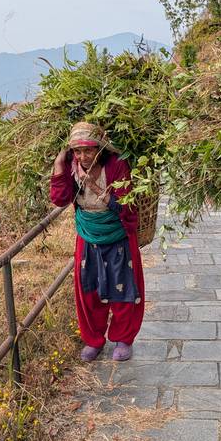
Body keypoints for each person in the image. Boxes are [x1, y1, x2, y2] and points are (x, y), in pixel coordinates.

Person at [50, 121, 144, 362]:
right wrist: (60, 165)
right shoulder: (71, 166)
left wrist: (91, 184)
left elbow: (126, 207)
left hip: (117, 234)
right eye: (77, 151)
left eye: (88, 150)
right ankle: (94, 339)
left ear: (101, 149)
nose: (82, 156)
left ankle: (123, 338)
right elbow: (60, 199)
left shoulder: (117, 165)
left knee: (123, 286)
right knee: (88, 289)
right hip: (88, 234)